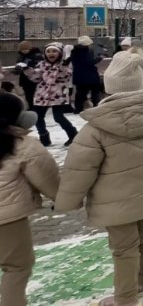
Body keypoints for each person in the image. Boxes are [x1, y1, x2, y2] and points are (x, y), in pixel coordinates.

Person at [55, 49, 143, 306]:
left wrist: (68, 200)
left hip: (115, 200)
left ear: (109, 88)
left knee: (124, 248)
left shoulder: (96, 129)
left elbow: (80, 169)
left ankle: (125, 298)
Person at [0, 93, 60, 306]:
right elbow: (47, 178)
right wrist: (62, 199)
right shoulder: (22, 145)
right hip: (6, 219)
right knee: (16, 266)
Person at [19, 42, 77, 147]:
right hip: (42, 94)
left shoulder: (65, 64)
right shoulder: (42, 64)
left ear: (60, 53)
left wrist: (64, 65)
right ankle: (44, 136)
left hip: (58, 95)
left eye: (54, 51)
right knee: (38, 117)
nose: (51, 53)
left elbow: (65, 76)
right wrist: (27, 70)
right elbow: (35, 78)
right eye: (48, 51)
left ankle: (73, 134)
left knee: (58, 117)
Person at [69, 36, 104, 114]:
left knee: (80, 93)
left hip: (79, 76)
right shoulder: (86, 51)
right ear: (87, 44)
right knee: (95, 92)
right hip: (90, 76)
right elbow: (89, 63)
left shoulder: (74, 51)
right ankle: (96, 107)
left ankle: (78, 108)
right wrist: (99, 59)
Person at [14, 42, 42, 112]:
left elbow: (38, 65)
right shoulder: (21, 56)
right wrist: (18, 68)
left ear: (30, 48)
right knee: (28, 93)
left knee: (34, 92)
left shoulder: (36, 55)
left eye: (26, 49)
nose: (24, 51)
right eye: (22, 49)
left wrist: (27, 66)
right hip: (24, 78)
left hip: (34, 77)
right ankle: (31, 106)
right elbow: (17, 64)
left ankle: (37, 106)